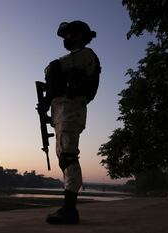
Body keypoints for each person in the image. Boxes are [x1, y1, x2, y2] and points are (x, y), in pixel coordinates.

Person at [43, 20, 101, 224]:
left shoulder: (86, 55)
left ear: (77, 36)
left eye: (69, 35)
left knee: (68, 156)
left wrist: (52, 82)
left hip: (70, 109)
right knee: (63, 156)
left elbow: (52, 69)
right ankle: (68, 207)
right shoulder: (79, 57)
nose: (65, 39)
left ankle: (69, 210)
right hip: (62, 110)